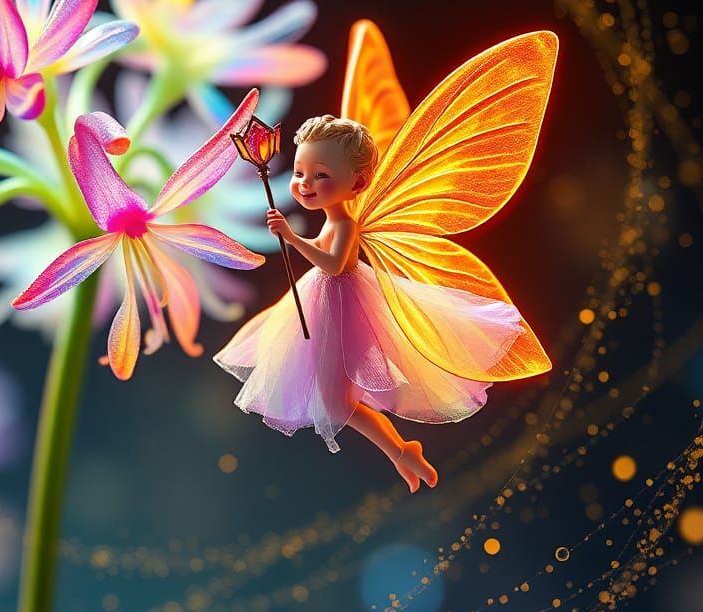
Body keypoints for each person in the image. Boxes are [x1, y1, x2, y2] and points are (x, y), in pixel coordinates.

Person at [214, 113, 531, 493]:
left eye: (321, 175)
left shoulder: (347, 225)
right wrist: (297, 239)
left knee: (335, 406)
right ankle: (400, 452)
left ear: (357, 183)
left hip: (345, 309)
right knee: (333, 404)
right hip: (326, 302)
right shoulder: (334, 222)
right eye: (300, 173)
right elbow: (325, 251)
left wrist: (293, 238)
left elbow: (334, 264)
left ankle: (400, 450)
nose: (304, 184)